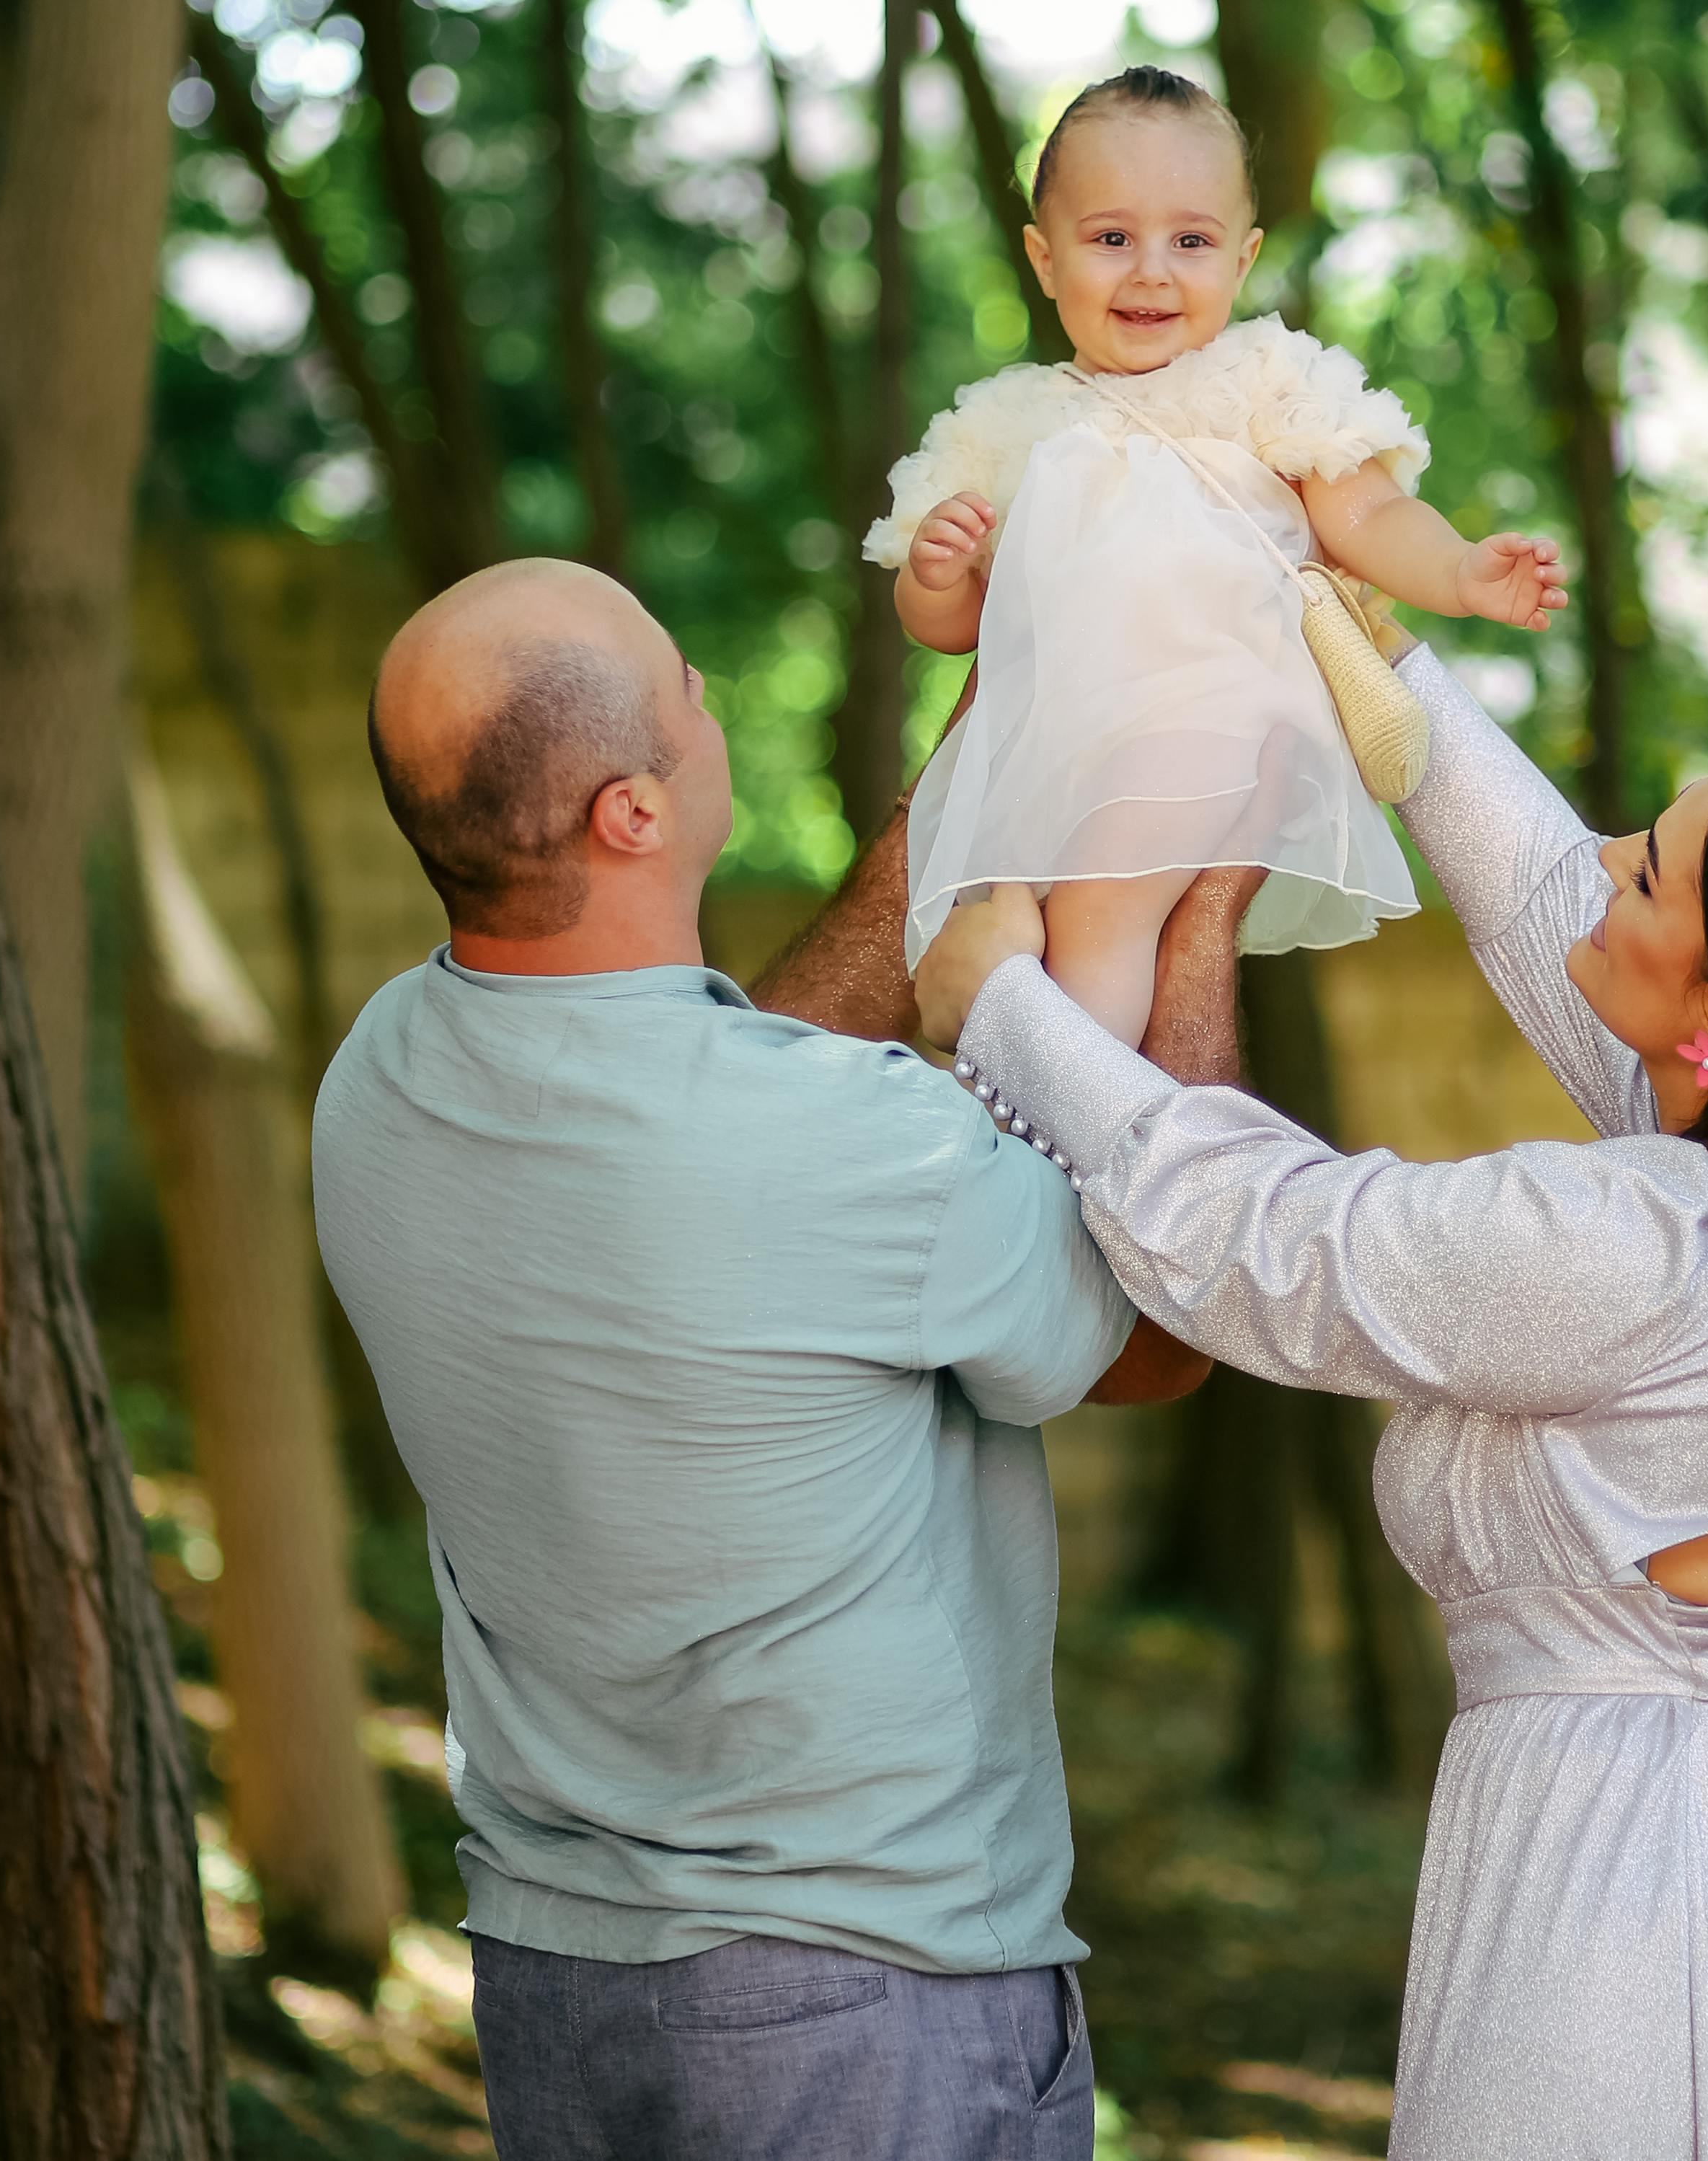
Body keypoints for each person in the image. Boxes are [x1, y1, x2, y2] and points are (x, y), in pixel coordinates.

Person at [916, 641, 1708, 2157]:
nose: (1601, 867)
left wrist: (1004, 1012)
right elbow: (1550, 901)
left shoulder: (1644, 1249)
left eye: (1644, 873)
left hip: (1643, 1906)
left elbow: (1289, 1250)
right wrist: (1396, 678)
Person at [313, 560, 1234, 2161]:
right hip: (863, 1999)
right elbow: (1163, 1336)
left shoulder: (378, 1083)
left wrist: (982, 756)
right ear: (629, 815)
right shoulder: (855, 1154)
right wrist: (1211, 916)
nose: (711, 707)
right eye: (686, 690)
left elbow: (740, 1086)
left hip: (559, 1973)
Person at [867, 64, 1567, 1045]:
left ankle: (1070, 1128)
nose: (1152, 271)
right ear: (1044, 256)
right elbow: (953, 628)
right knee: (1015, 925)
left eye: (1190, 241)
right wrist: (935, 574)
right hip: (1055, 750)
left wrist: (1458, 570)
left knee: (1099, 919)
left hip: (1211, 714)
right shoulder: (1010, 424)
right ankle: (1029, 1083)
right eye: (1111, 239)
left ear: (1242, 261)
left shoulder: (1263, 382)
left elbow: (1364, 516)